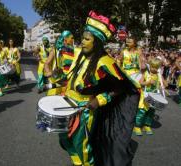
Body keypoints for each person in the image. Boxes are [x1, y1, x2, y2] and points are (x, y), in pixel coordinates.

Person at [58, 11, 140, 166]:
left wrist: (99, 100)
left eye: (87, 39)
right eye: (82, 38)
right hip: (67, 104)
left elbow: (121, 87)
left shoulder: (105, 62)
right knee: (65, 139)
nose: (82, 41)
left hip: (84, 111)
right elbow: (70, 77)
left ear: (96, 42)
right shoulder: (80, 56)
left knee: (82, 145)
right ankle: (77, 162)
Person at [137, 58, 167, 135]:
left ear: (159, 67)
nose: (153, 69)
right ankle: (137, 126)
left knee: (151, 112)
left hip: (154, 96)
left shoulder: (159, 75)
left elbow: (165, 84)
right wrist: (147, 82)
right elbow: (140, 83)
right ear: (150, 65)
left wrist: (163, 84)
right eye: (152, 66)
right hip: (146, 96)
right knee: (142, 111)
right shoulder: (146, 73)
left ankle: (147, 125)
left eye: (156, 67)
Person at [44, 30, 74, 95]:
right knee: (53, 100)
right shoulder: (55, 50)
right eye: (71, 38)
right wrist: (48, 72)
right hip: (56, 79)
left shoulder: (72, 50)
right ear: (65, 39)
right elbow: (46, 63)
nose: (72, 40)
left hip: (67, 81)